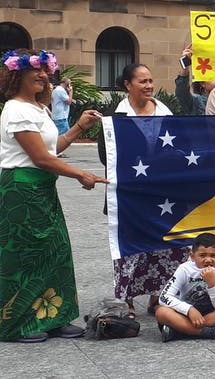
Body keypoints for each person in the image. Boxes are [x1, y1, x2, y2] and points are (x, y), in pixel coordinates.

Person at [0, 49, 107, 343]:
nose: (43, 76)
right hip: (20, 191)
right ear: (16, 74)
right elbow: (40, 158)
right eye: (35, 70)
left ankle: (55, 316)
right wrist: (81, 174)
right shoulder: (15, 110)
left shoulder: (39, 109)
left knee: (54, 252)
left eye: (45, 71)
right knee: (26, 256)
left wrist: (79, 127)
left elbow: (52, 148)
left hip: (42, 190)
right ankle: (19, 323)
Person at [109, 63, 175, 318]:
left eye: (150, 80)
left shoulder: (166, 112)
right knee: (130, 247)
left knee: (163, 244)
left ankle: (159, 295)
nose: (149, 86)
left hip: (162, 192)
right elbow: (108, 156)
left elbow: (178, 148)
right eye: (142, 81)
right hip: (129, 194)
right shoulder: (117, 116)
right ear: (127, 85)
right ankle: (127, 299)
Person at [155, 232, 215, 342]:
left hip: (211, 314)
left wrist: (212, 284)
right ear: (192, 256)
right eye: (202, 255)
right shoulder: (184, 269)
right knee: (161, 312)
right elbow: (164, 297)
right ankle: (212, 332)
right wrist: (189, 310)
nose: (208, 260)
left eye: (213, 255)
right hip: (185, 314)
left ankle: (180, 331)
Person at [174, 45, 215, 115]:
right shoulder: (197, 102)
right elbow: (182, 93)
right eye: (212, 77)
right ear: (202, 83)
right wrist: (185, 63)